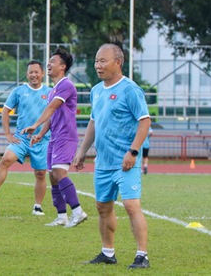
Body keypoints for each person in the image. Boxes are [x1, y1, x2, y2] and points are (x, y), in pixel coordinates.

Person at [73, 43, 151, 269]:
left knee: (131, 206)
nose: (98, 65)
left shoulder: (131, 89)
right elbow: (94, 122)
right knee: (102, 207)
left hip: (126, 162)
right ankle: (108, 252)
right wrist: (82, 151)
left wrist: (133, 152)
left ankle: (142, 255)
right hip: (103, 162)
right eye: (96, 60)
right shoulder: (97, 90)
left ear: (118, 62)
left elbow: (144, 121)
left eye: (103, 61)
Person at [22, 48, 88, 228]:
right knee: (52, 176)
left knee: (59, 173)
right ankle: (61, 217)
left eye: (53, 61)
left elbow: (51, 108)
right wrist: (40, 134)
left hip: (66, 137)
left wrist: (35, 124)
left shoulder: (66, 85)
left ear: (63, 66)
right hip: (54, 138)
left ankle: (77, 211)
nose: (49, 64)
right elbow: (52, 117)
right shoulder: (54, 89)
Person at [0, 60, 51, 215]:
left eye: (36, 72)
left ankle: (37, 206)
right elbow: (5, 110)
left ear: (42, 73)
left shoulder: (50, 92)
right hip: (22, 139)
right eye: (31, 72)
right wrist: (7, 134)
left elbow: (53, 116)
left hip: (41, 140)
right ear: (27, 74)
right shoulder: (19, 91)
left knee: (40, 174)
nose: (34, 75)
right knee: (5, 160)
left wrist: (43, 133)